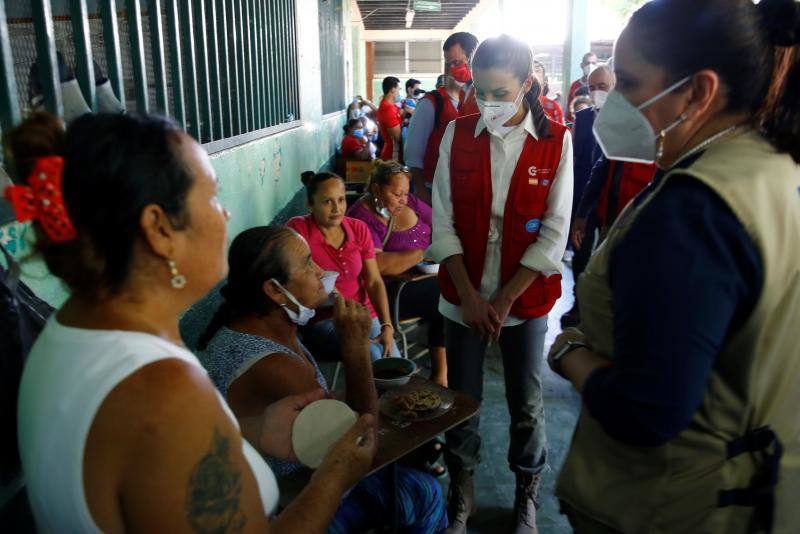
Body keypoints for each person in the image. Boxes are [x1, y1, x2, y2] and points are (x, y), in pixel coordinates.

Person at [10, 113, 376, 532]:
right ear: (159, 229)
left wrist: (248, 430)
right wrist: (335, 475)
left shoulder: (76, 332)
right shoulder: (161, 390)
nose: (224, 215)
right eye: (213, 198)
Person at [548, 1, 800, 532]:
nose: (613, 103)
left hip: (670, 504)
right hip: (752, 487)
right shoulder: (773, 168)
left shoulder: (692, 212)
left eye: (631, 84)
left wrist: (569, 352)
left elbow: (647, 412)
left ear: (698, 92)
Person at [197, 225, 448, 532]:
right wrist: (354, 347)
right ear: (275, 290)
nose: (321, 270)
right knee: (424, 493)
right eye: (306, 263)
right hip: (294, 499)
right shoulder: (273, 365)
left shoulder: (264, 328)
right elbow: (360, 436)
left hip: (299, 471)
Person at [428, 35, 573, 534]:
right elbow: (442, 223)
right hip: (463, 297)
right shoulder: (458, 134)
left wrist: (506, 296)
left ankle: (526, 494)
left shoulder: (556, 140)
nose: (487, 103)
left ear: (527, 84)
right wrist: (470, 297)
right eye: (479, 92)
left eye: (499, 92)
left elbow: (554, 231)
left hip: (524, 299)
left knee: (526, 404)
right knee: (462, 403)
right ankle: (461, 492)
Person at [346, 160, 448, 388]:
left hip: (422, 276)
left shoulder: (409, 202)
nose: (403, 199)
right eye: (396, 193)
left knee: (455, 287)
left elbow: (440, 223)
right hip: (389, 291)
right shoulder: (361, 219)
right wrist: (422, 254)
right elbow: (379, 265)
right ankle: (441, 376)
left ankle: (442, 372)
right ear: (376, 189)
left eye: (405, 192)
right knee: (449, 295)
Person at [287, 172, 400, 361]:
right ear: (310, 204)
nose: (336, 208)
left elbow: (373, 281)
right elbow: (301, 269)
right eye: (327, 202)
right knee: (370, 354)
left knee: (395, 365)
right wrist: (332, 292)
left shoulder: (358, 228)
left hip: (364, 312)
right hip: (324, 319)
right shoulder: (298, 230)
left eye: (341, 200)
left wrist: (386, 325)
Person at [561, 64, 616, 328]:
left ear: (614, 86)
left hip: (613, 201)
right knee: (581, 255)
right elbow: (576, 162)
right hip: (583, 197)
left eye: (602, 87)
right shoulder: (582, 119)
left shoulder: (626, 119)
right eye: (592, 88)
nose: (596, 93)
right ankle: (579, 304)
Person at [407, 32, 480, 204]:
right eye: (448, 64)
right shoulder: (431, 103)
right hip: (434, 190)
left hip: (464, 191)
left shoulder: (475, 98)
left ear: (474, 59)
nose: (451, 70)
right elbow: (413, 155)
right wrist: (422, 193)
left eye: (457, 63)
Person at [376, 76, 404, 161]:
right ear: (393, 89)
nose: (399, 93)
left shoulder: (392, 106)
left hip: (396, 153)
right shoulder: (387, 108)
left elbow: (401, 113)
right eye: (399, 89)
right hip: (392, 155)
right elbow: (397, 137)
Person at [566, 52, 597, 121]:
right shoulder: (574, 85)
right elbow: (569, 109)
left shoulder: (600, 86)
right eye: (587, 63)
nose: (590, 66)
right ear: (582, 65)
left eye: (593, 63)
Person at [533, 59, 564, 124]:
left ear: (544, 83)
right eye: (530, 70)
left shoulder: (553, 106)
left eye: (537, 70)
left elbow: (559, 131)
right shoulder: (514, 105)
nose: (533, 74)